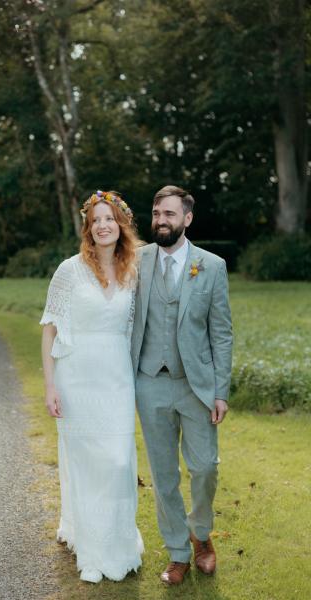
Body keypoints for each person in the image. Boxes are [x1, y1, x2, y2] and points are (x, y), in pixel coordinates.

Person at [40, 190, 144, 584]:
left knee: (117, 463)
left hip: (116, 379)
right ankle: (91, 550)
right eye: (96, 219)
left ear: (121, 225)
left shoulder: (134, 271)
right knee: (86, 465)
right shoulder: (69, 270)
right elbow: (49, 330)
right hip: (75, 377)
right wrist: (50, 385)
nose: (103, 225)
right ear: (88, 227)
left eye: (110, 218)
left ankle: (117, 542)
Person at [131, 185, 233, 585]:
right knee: (163, 475)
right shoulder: (136, 261)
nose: (161, 220)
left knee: (205, 467)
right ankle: (177, 553)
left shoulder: (212, 266)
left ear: (187, 219)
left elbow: (221, 333)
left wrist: (220, 390)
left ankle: (201, 535)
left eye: (169, 214)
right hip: (148, 383)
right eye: (157, 213)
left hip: (197, 386)